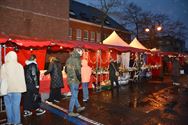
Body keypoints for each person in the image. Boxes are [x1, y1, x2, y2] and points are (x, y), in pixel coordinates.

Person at [0, 51, 26, 125]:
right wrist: (23, 89)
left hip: (7, 90)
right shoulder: (19, 66)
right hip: (17, 90)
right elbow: (22, 79)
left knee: (8, 106)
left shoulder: (4, 66)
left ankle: (9, 121)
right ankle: (16, 122)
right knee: (16, 106)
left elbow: (1, 79)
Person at [66, 48, 85, 117]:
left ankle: (78, 107)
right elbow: (78, 72)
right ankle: (70, 111)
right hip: (75, 80)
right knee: (74, 96)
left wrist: (70, 75)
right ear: (78, 51)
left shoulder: (69, 59)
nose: (82, 53)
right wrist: (80, 79)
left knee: (74, 94)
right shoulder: (77, 59)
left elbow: (65, 70)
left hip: (70, 80)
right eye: (81, 52)